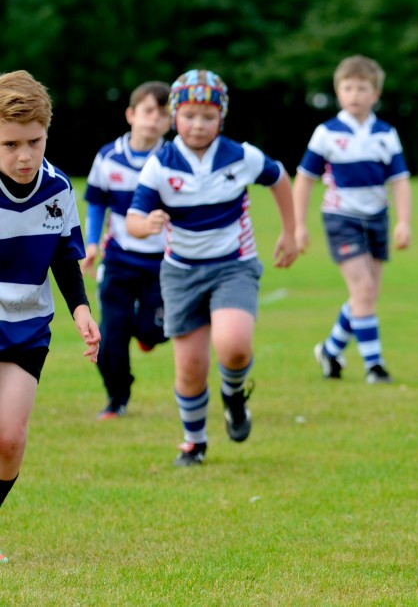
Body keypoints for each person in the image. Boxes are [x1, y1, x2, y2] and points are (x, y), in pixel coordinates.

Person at [126, 69, 298, 466]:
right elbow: (134, 217)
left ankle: (234, 395)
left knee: (234, 345)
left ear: (221, 117)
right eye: (188, 116)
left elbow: (279, 178)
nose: (198, 125)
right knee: (190, 367)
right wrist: (145, 225)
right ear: (174, 117)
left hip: (232, 266)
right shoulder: (160, 164)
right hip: (181, 273)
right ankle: (194, 441)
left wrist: (291, 232)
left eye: (208, 116)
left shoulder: (241, 155)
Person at [0, 70, 101, 561]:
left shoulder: (58, 188)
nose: (24, 156)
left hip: (27, 327)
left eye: (34, 142)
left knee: (9, 439)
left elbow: (64, 257)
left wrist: (81, 308)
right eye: (9, 144)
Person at [294, 55, 412, 384]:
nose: (355, 94)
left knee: (366, 294)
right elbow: (304, 179)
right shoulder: (326, 134)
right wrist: (298, 225)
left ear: (375, 94)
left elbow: (400, 181)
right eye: (348, 88)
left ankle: (330, 350)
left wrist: (403, 221)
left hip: (377, 218)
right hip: (340, 218)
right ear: (338, 91)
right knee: (362, 288)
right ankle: (374, 365)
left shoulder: (386, 134)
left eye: (362, 88)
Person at [82, 81, 172, 419]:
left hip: (163, 262)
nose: (154, 119)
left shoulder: (171, 159)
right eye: (148, 111)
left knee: (155, 330)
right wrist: (92, 245)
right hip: (119, 259)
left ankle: (147, 333)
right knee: (111, 336)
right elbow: (96, 204)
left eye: (163, 114)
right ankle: (117, 398)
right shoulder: (108, 158)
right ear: (131, 115)